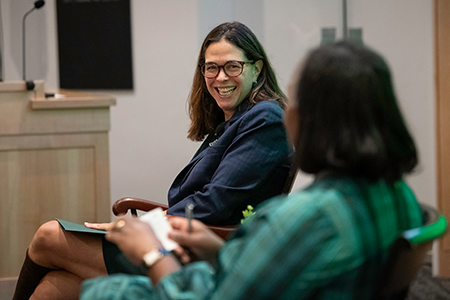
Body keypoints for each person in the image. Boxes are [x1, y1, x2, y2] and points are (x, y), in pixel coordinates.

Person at [80, 41, 423, 300]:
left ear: (310, 121)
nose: (285, 112)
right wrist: (219, 250)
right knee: (59, 282)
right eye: (210, 68)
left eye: (294, 100)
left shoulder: (309, 217)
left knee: (86, 282)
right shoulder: (400, 197)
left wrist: (150, 250)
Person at [12, 22, 291, 300]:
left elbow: (216, 202)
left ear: (256, 68)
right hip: (183, 240)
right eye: (211, 67)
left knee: (48, 236)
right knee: (55, 284)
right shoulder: (234, 120)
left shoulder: (264, 117)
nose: (220, 78)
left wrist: (145, 228)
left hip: (199, 256)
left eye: (232, 66)